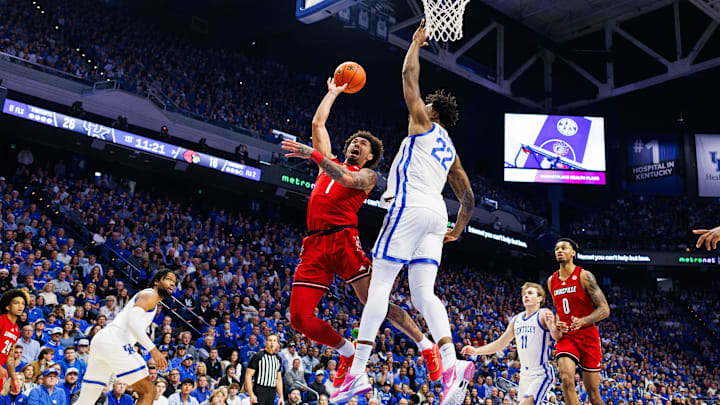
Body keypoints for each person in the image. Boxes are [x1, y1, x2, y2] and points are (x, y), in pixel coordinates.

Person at [331, 19, 475, 405]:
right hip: (437, 214)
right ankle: (451, 362)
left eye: (426, 104)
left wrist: (415, 43)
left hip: (410, 205)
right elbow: (469, 198)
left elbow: (408, 74)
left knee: (379, 286)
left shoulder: (424, 122)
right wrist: (458, 229)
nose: (420, 105)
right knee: (424, 294)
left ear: (432, 111)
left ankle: (357, 372)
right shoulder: (452, 152)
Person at [281, 75, 441, 388]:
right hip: (314, 243)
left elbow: (345, 179)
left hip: (343, 240)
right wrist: (333, 93)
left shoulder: (367, 176)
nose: (357, 144)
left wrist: (313, 155)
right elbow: (318, 125)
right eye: (354, 141)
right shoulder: (327, 162)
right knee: (299, 318)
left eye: (363, 144)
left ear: (369, 156)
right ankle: (346, 350)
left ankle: (426, 346)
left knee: (377, 305)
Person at [76, 270, 176, 405]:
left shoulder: (148, 297)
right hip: (116, 341)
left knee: (85, 401)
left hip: (102, 341)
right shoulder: (150, 295)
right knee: (148, 392)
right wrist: (153, 350)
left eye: (174, 283)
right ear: (157, 281)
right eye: (169, 279)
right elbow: (133, 323)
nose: (172, 284)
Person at [462, 283, 562, 405]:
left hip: (540, 373)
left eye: (530, 293)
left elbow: (557, 336)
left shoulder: (543, 313)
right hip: (524, 375)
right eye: (524, 294)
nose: (526, 296)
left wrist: (553, 326)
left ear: (539, 298)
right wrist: (476, 350)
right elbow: (500, 344)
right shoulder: (516, 320)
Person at [548, 238, 610, 405]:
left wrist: (584, 320)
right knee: (566, 379)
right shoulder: (551, 280)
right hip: (567, 336)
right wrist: (557, 323)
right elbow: (559, 311)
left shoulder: (584, 276)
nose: (559, 251)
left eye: (563, 248)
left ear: (573, 252)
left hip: (587, 334)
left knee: (594, 395)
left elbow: (604, 309)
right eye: (556, 248)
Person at [0, 289, 29, 395]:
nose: (20, 306)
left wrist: (14, 378)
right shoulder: (1, 320)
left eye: (23, 304)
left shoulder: (16, 330)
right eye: (16, 303)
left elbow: (10, 356)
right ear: (8, 307)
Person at [245, 334, 284, 405]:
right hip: (259, 389)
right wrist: (251, 394)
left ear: (277, 344)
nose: (272, 342)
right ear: (266, 342)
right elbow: (248, 376)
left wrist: (281, 396)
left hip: (272, 391)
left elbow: (278, 379)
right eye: (270, 340)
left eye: (274, 341)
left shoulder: (278, 359)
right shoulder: (258, 356)